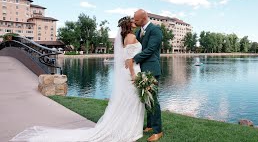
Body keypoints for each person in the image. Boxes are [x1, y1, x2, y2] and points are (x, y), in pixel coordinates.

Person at [11, 16, 145, 142]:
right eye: (133, 21)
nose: (135, 22)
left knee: (129, 100)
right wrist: (133, 74)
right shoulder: (131, 36)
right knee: (132, 99)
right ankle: (129, 127)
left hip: (129, 71)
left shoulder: (125, 37)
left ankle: (127, 125)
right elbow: (128, 59)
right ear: (128, 25)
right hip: (131, 72)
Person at [126, 9, 163, 141]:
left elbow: (150, 50)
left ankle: (158, 131)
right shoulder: (138, 31)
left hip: (152, 69)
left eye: (136, 20)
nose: (134, 22)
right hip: (141, 70)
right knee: (146, 99)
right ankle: (149, 125)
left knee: (153, 100)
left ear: (144, 18)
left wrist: (134, 59)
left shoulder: (155, 30)